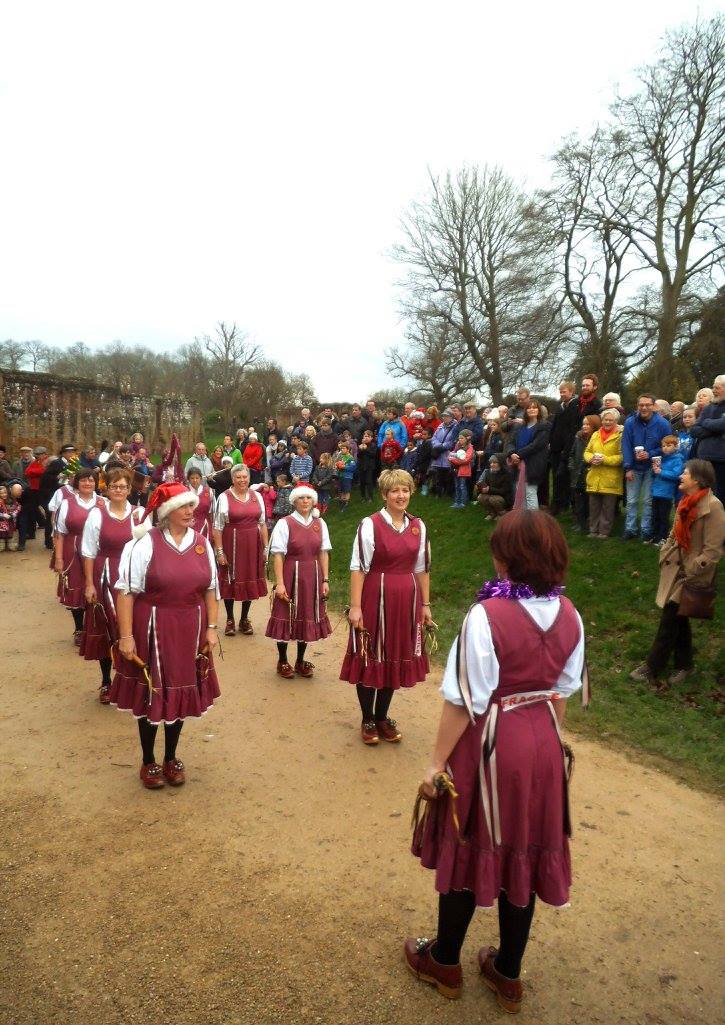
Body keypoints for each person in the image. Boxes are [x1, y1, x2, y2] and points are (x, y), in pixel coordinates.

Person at [406, 510, 585, 1014]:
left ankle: (444, 961)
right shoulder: (572, 614)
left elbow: (464, 699)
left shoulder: (486, 615)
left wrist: (436, 763)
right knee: (523, 849)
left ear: (509, 557)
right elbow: (561, 695)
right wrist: (545, 747)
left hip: (491, 744)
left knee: (469, 841)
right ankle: (508, 973)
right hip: (543, 745)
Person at [109, 482, 220, 789]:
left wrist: (211, 628)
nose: (190, 511)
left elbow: (211, 589)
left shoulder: (202, 543)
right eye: (183, 507)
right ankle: (148, 760)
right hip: (153, 625)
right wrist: (126, 636)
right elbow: (127, 592)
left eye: (191, 506)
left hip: (190, 627)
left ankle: (171, 757)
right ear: (167, 512)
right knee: (152, 690)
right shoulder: (143, 543)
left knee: (181, 690)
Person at [340, 468, 432, 745]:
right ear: (385, 495)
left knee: (395, 654)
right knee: (371, 653)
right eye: (395, 491)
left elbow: (422, 568)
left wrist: (425, 604)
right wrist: (355, 607)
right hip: (375, 596)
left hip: (407, 599)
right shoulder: (370, 524)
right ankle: (367, 718)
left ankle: (382, 716)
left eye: (405, 490)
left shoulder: (419, 526)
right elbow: (357, 567)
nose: (401, 495)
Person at [630, 459, 724, 688]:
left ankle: (652, 667)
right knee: (679, 619)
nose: (681, 476)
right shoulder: (685, 502)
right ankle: (685, 664)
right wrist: (665, 552)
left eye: (685, 473)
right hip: (676, 568)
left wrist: (692, 570)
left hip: (691, 574)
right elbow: (674, 534)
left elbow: (713, 550)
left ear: (698, 480)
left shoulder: (713, 507)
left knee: (669, 619)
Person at [80, 467, 136, 702]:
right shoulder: (97, 514)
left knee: (132, 629)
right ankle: (106, 681)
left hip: (132, 580)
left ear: (129, 489)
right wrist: (89, 584)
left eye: (123, 486)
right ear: (107, 488)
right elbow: (88, 551)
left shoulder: (139, 515)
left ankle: (130, 681)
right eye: (114, 486)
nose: (119, 490)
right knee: (106, 628)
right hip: (105, 575)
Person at [266, 484, 332, 678]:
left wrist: (325, 579)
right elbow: (278, 554)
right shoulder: (285, 523)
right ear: (294, 501)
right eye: (301, 498)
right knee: (286, 615)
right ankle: (283, 660)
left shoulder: (320, 524)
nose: (305, 501)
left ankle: (300, 660)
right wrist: (280, 583)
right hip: (290, 573)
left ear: (313, 501)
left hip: (313, 575)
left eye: (308, 498)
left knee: (306, 615)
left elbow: (323, 552)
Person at [213, 464, 268, 637]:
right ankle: (230, 619)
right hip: (232, 543)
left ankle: (244, 618)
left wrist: (266, 548)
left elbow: (262, 523)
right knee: (230, 579)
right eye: (238, 477)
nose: (242, 480)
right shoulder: (224, 497)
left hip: (253, 544)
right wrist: (220, 552)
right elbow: (217, 527)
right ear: (232, 479)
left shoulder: (257, 496)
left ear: (249, 478)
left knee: (249, 578)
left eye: (245, 477)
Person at [54, 469, 105, 644]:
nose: (87, 483)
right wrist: (59, 559)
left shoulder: (103, 502)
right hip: (73, 549)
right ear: (77, 482)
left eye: (91, 480)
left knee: (96, 587)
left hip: (97, 551)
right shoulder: (67, 503)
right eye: (83, 480)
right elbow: (60, 532)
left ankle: (95, 628)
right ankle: (79, 629)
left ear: (96, 483)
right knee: (76, 588)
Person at [621, 394, 671, 542]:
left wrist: (650, 454)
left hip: (652, 467)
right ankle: (630, 529)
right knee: (631, 500)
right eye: (641, 405)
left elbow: (667, 446)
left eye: (647, 405)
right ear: (637, 406)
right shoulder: (630, 422)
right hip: (634, 467)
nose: (644, 408)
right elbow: (626, 445)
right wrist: (628, 467)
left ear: (654, 406)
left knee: (648, 501)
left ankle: (646, 530)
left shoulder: (663, 424)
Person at [583, 408, 623, 538]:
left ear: (616, 421)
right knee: (593, 506)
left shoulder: (620, 436)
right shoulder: (595, 434)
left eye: (611, 420)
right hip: (594, 476)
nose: (607, 422)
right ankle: (593, 530)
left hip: (611, 477)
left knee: (607, 508)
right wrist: (591, 458)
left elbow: (621, 457)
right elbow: (587, 451)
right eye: (605, 419)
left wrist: (605, 460)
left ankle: (604, 532)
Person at [504, 400, 551, 511]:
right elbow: (510, 442)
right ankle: (523, 520)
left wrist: (518, 455)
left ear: (539, 410)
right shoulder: (520, 426)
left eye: (534, 407)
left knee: (530, 492)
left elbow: (536, 445)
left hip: (533, 464)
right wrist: (512, 454)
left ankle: (533, 522)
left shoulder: (544, 426)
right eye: (529, 408)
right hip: (517, 463)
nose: (532, 409)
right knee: (520, 491)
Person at [689, 375, 725, 503]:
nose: (714, 390)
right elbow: (694, 430)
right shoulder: (709, 408)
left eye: (717, 388)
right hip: (704, 459)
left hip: (722, 461)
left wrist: (707, 422)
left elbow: (723, 424)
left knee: (720, 497)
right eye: (713, 387)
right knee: (703, 495)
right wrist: (715, 428)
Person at [549, 381, 580, 515]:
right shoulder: (560, 407)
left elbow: (572, 429)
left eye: (564, 392)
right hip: (556, 448)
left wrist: (567, 448)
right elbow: (555, 426)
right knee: (556, 477)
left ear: (571, 392)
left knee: (566, 477)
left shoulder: (575, 406)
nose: (562, 394)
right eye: (560, 392)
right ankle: (557, 503)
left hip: (567, 448)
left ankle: (567, 504)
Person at [650, 436, 685, 545]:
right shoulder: (661, 459)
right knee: (655, 515)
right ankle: (654, 535)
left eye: (669, 445)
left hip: (666, 493)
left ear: (675, 446)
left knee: (663, 516)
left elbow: (676, 475)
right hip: (656, 492)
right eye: (664, 446)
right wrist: (654, 470)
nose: (665, 448)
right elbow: (654, 475)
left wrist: (661, 471)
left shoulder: (678, 459)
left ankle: (663, 537)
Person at [568, 415, 600, 531]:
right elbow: (572, 454)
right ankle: (579, 522)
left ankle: (588, 523)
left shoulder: (597, 438)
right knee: (578, 501)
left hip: (590, 473)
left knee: (589, 501)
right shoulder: (578, 437)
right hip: (577, 473)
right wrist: (571, 466)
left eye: (587, 424)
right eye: (583, 424)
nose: (584, 426)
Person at [474, 453, 513, 519]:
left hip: (504, 498)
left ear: (500, 463)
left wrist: (489, 489)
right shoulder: (488, 472)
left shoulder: (506, 474)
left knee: (493, 499)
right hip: (491, 494)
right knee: (481, 497)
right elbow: (486, 485)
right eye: (491, 462)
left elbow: (505, 491)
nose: (492, 464)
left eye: (495, 462)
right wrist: (480, 488)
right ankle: (492, 513)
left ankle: (502, 514)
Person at [430, 411, 460, 497]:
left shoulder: (455, 427)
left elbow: (453, 441)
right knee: (438, 474)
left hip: (448, 454)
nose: (444, 418)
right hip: (439, 454)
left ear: (451, 417)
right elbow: (434, 438)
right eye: (443, 416)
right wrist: (438, 445)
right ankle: (438, 492)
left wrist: (443, 446)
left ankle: (447, 493)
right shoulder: (440, 426)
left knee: (448, 475)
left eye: (446, 416)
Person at [448, 430, 474, 509]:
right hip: (456, 470)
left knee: (462, 486)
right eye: (459, 438)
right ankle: (457, 501)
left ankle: (463, 502)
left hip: (463, 470)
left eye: (462, 438)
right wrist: (452, 457)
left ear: (467, 439)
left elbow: (466, 459)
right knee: (457, 486)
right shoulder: (457, 446)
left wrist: (454, 460)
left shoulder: (470, 448)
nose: (460, 440)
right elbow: (451, 454)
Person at [187, 467, 215, 537]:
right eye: (192, 478)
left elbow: (212, 513)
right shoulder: (184, 492)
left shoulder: (209, 492)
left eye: (197, 478)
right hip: (187, 527)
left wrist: (214, 529)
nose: (195, 480)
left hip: (205, 526)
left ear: (201, 479)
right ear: (188, 479)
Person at [357, 430, 378, 503]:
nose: (366, 438)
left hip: (369, 466)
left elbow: (373, 455)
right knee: (362, 482)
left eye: (368, 436)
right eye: (365, 436)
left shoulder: (373, 445)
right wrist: (360, 449)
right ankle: (363, 496)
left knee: (369, 482)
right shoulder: (361, 445)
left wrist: (366, 449)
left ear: (371, 438)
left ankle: (370, 497)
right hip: (362, 466)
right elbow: (358, 456)